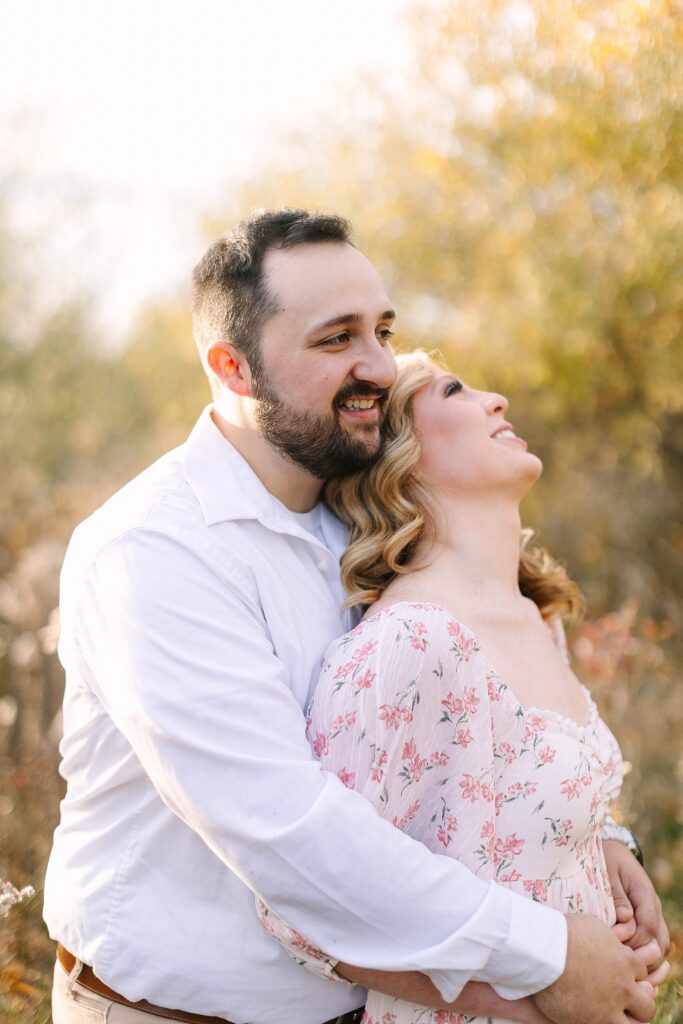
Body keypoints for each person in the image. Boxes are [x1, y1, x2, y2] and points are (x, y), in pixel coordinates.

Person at [44, 209, 667, 1024]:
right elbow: (287, 832)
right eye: (335, 339)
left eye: (381, 329)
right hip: (171, 1013)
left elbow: (483, 741)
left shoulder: (366, 518)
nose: (375, 363)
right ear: (232, 368)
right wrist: (546, 958)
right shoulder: (154, 552)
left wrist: (603, 840)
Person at [254, 350, 671, 1023]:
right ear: (402, 457)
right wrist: (543, 1004)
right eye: (455, 390)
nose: (497, 398)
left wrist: (608, 844)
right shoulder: (413, 644)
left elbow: (500, 815)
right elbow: (301, 910)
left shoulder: (539, 624)